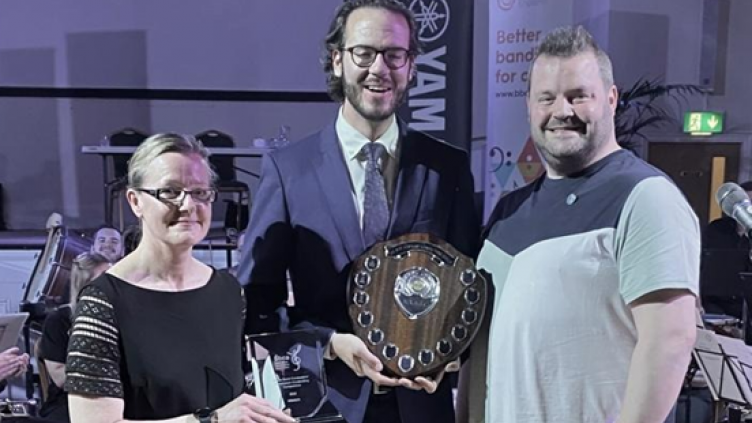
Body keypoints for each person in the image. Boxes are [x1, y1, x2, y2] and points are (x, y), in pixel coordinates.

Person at [238, 1, 480, 423]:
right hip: (326, 404)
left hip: (422, 406)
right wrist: (329, 343)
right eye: (363, 53)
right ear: (337, 60)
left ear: (411, 66)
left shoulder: (447, 167)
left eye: (394, 55)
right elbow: (258, 303)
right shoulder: (289, 169)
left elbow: (468, 283)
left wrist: (448, 357)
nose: (379, 68)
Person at [458, 26, 699, 423]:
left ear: (610, 99)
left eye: (577, 96)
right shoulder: (508, 212)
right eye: (546, 98)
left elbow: (670, 341)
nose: (561, 111)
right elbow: (481, 348)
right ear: (530, 107)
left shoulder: (646, 197)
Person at [64, 134, 295, 423]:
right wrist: (210, 421)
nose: (187, 205)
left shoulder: (228, 291)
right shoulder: (102, 303)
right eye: (170, 192)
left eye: (200, 192)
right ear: (135, 201)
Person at [38, 252, 111, 422]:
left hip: (118, 398)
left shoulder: (122, 317)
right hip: (70, 401)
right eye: (105, 277)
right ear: (85, 284)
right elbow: (60, 378)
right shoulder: (58, 321)